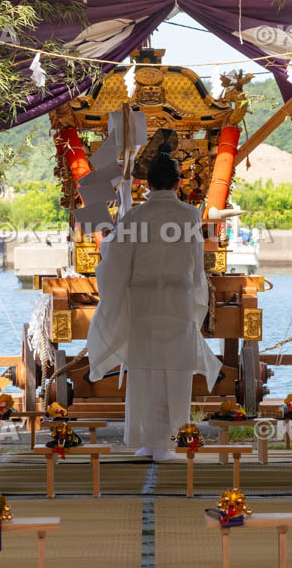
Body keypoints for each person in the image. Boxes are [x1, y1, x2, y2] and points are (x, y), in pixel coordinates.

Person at [87, 146, 222, 461]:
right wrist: (197, 301)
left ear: (147, 185)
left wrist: (108, 265)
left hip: (144, 304)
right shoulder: (189, 215)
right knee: (175, 372)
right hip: (178, 301)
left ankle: (150, 442)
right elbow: (195, 264)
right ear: (177, 184)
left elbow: (116, 262)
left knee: (144, 372)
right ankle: (167, 443)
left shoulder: (135, 215)